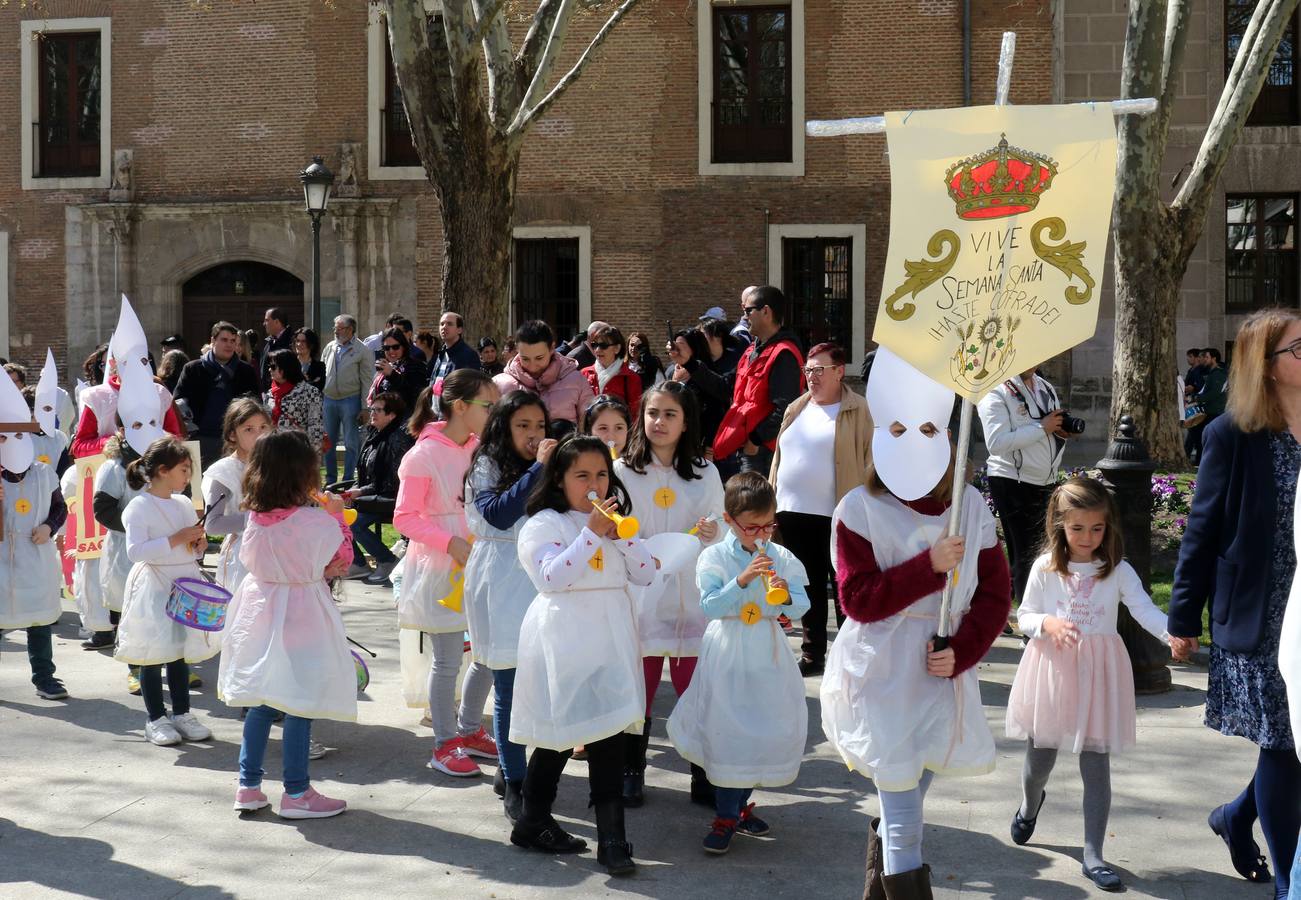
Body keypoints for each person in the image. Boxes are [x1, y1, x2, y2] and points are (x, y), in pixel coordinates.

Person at [823, 349, 1010, 899]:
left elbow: (995, 594)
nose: (914, 442)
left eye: (927, 429)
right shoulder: (858, 509)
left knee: (905, 797)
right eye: (900, 430)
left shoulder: (969, 506)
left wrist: (965, 650)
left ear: (947, 437)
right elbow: (857, 599)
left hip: (938, 672)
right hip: (882, 673)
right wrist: (928, 566)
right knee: (905, 818)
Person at [1169, 309, 1301, 898]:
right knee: (1282, 744)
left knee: (1292, 745)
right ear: (1265, 366)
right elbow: (1202, 529)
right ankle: (1289, 883)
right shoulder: (1232, 434)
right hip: (1260, 612)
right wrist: (1182, 618)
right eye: (1300, 348)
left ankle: (1235, 815)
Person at [1006, 478, 1177, 892]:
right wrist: (1047, 623)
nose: (1087, 537)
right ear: (1060, 525)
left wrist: (1171, 634)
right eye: (1077, 528)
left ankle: (1094, 854)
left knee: (1096, 764)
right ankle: (1030, 804)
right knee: (1039, 760)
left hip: (1098, 676)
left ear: (1108, 527)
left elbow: (1144, 609)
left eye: (1097, 528)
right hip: (1053, 672)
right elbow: (1024, 615)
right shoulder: (1045, 567)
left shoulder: (1117, 570)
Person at [509, 435, 656, 876]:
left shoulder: (615, 521)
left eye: (602, 474)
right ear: (559, 478)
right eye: (582, 475)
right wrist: (592, 533)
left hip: (611, 635)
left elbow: (646, 573)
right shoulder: (543, 524)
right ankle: (533, 819)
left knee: (609, 732)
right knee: (560, 733)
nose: (595, 484)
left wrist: (622, 537)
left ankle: (611, 839)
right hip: (565, 636)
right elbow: (552, 577)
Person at [666, 472, 810, 855]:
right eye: (751, 527)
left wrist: (783, 594)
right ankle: (726, 815)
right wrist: (742, 581)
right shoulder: (714, 556)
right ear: (729, 520)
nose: (761, 535)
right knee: (728, 730)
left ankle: (740, 806)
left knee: (759, 730)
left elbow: (802, 605)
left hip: (767, 649)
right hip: (728, 647)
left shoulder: (780, 556)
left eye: (768, 526)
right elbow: (710, 607)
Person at [218, 430, 357, 819]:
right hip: (303, 613)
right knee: (299, 701)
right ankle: (296, 792)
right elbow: (342, 558)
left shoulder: (255, 518)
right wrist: (337, 516)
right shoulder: (315, 522)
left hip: (260, 609)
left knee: (262, 700)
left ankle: (248, 786)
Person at [615, 381, 725, 806]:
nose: (659, 422)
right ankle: (630, 769)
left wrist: (715, 530)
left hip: (688, 595)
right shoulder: (623, 471)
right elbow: (616, 525)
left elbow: (721, 522)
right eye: (652, 413)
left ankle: (702, 770)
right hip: (641, 592)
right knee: (639, 684)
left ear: (686, 422)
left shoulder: (705, 472)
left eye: (669, 414)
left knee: (692, 684)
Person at [393, 371, 501, 777]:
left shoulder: (480, 450)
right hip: (440, 570)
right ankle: (444, 742)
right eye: (488, 406)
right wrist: (448, 541)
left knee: (488, 653)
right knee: (448, 660)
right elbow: (404, 517)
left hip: (480, 563)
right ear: (460, 406)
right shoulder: (421, 456)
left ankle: (470, 729)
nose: (494, 413)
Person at [463, 392, 556, 821]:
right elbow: (499, 514)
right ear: (504, 427)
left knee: (539, 681)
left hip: (540, 577)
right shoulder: (487, 464)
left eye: (540, 426)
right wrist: (540, 468)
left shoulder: (550, 466)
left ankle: (511, 763)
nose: (533, 435)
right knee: (508, 683)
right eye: (523, 426)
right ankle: (516, 782)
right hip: (499, 575)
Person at [769, 342, 872, 676]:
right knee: (807, 585)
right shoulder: (797, 407)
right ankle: (813, 654)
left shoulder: (859, 410)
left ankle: (849, 657)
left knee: (844, 586)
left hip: (840, 514)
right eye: (808, 370)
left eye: (819, 370)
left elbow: (871, 459)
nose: (811, 376)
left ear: (839, 372)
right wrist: (771, 502)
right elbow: (779, 458)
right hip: (793, 513)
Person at [115, 437, 215, 747]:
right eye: (184, 469)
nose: (188, 476)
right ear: (162, 470)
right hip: (154, 586)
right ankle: (155, 718)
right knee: (153, 653)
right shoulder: (138, 506)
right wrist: (177, 538)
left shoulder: (183, 503)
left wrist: (198, 544)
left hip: (183, 583)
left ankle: (182, 713)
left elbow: (193, 550)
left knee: (179, 652)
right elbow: (135, 551)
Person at [976, 366, 1070, 614]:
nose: (1034, 363)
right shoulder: (994, 391)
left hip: (1045, 481)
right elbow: (996, 443)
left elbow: (1047, 430)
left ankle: (1007, 607)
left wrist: (1061, 432)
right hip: (1012, 481)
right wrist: (1042, 428)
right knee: (1025, 555)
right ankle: (1029, 622)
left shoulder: (1045, 387)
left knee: (1045, 553)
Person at [0, 425, 70, 701]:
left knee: (39, 620)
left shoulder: (43, 473)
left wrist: (48, 527)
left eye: (19, 436)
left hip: (35, 553)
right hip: (3, 555)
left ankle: (44, 677)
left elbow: (60, 507)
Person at [712, 286, 804, 479]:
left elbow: (786, 408)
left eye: (748, 311)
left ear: (766, 312)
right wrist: (690, 364)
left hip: (763, 452)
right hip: (749, 447)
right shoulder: (752, 351)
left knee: (755, 499)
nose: (744, 317)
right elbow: (725, 387)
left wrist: (755, 439)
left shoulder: (783, 354)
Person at [201, 398, 272, 593]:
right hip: (242, 556)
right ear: (233, 435)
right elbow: (212, 524)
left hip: (276, 551)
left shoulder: (274, 465)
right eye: (249, 429)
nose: (259, 434)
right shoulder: (223, 472)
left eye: (263, 427)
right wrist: (257, 518)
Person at [173, 322, 262, 468]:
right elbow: (179, 401)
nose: (229, 345)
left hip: (235, 440)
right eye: (224, 340)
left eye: (233, 341)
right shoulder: (193, 369)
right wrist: (189, 429)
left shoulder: (246, 371)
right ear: (213, 340)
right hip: (200, 438)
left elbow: (255, 404)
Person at [348, 391, 413, 585]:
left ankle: (387, 561)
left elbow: (393, 482)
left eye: (378, 410)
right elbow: (365, 472)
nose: (373, 413)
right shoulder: (374, 435)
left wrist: (361, 492)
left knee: (353, 523)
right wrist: (353, 490)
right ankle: (358, 563)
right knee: (337, 516)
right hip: (373, 496)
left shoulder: (398, 439)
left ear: (391, 415)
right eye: (372, 409)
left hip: (394, 498)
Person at [493, 320, 595, 431]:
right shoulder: (499, 385)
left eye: (539, 358)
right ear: (517, 350)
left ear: (552, 348)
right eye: (525, 359)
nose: (532, 366)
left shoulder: (577, 381)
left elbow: (590, 428)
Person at [321, 315, 375, 485]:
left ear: (350, 330)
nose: (335, 331)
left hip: (350, 400)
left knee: (351, 442)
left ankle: (348, 479)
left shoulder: (362, 350)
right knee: (328, 442)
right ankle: (331, 480)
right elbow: (322, 373)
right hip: (329, 400)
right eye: (335, 328)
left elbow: (367, 380)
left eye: (339, 328)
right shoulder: (330, 347)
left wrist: (365, 407)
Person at [664, 328, 731, 455]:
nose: (677, 349)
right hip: (673, 442)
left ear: (694, 348)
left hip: (700, 444)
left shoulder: (705, 372)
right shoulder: (671, 371)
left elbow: (715, 411)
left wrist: (709, 445)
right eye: (675, 345)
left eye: (681, 345)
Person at [266, 348, 326, 453]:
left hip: (299, 452)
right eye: (269, 366)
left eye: (273, 367)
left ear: (285, 368)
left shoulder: (310, 392)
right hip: (273, 451)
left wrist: (314, 454)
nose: (269, 370)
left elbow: (316, 427)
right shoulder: (270, 393)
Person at [581, 324, 642, 413]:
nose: (597, 350)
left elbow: (635, 414)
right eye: (594, 345)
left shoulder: (631, 378)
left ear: (617, 348)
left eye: (603, 345)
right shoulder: (584, 374)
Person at [367, 327, 427, 413]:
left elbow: (414, 394)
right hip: (384, 417)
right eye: (387, 348)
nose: (391, 351)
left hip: (405, 418)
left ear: (403, 347)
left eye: (395, 347)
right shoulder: (387, 366)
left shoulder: (415, 365)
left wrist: (392, 375)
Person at [1185, 347, 1229, 464]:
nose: (1203, 359)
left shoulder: (1219, 374)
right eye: (1203, 357)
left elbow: (1214, 393)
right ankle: (1199, 461)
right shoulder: (1211, 373)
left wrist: (1196, 398)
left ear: (1214, 359)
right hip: (1207, 411)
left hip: (1214, 412)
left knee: (1203, 438)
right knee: (1197, 436)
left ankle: (1202, 462)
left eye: (1206, 357)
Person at [429, 311, 481, 389]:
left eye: (449, 324)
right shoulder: (441, 354)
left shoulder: (469, 355)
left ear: (459, 330)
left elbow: (471, 387)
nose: (444, 327)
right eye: (442, 324)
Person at [259, 307, 294, 390]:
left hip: (285, 393)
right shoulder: (269, 342)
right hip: (269, 393)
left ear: (277, 322)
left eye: (267, 320)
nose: (264, 324)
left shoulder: (292, 342)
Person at [293, 327, 326, 393]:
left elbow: (318, 388)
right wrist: (309, 382)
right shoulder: (289, 364)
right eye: (297, 341)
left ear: (311, 344)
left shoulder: (319, 366)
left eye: (303, 341)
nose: (299, 344)